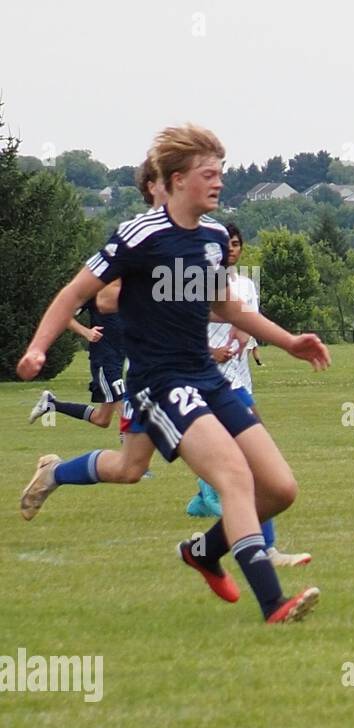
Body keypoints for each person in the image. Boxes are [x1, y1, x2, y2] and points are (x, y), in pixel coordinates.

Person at [17, 124, 330, 624]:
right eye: (210, 174)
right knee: (232, 477)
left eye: (221, 174)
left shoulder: (211, 238)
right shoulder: (139, 236)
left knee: (279, 489)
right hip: (159, 385)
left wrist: (289, 340)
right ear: (179, 179)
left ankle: (203, 552)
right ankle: (274, 603)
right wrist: (38, 347)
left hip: (206, 377)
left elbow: (228, 308)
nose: (219, 183)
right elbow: (79, 294)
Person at [186, 222, 311, 569]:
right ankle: (261, 548)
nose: (231, 249)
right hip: (203, 381)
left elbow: (245, 320)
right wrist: (212, 352)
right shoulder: (192, 280)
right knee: (129, 464)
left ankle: (205, 505)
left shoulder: (243, 284)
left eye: (236, 244)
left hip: (237, 381)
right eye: (226, 244)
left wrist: (239, 341)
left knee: (250, 458)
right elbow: (182, 327)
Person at [27, 160, 161, 429]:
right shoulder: (97, 286)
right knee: (127, 400)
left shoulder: (131, 287)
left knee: (102, 419)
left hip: (123, 356)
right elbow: (64, 313)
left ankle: (53, 404)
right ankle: (131, 458)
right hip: (105, 358)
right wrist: (86, 333)